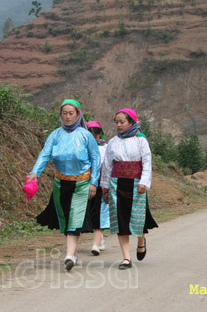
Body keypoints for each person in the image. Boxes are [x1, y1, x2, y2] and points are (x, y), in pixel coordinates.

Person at [26, 99, 100, 271]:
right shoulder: (55, 135)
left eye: (71, 113)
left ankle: (68, 256)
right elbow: (45, 154)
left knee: (76, 216)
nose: (67, 117)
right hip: (60, 182)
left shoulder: (86, 135)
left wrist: (94, 183)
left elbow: (96, 159)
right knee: (66, 218)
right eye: (64, 113)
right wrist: (35, 172)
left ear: (78, 114)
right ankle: (73, 253)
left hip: (82, 182)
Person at [101, 108, 158, 269]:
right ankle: (126, 258)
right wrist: (105, 188)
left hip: (135, 184)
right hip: (116, 183)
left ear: (131, 122)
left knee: (137, 219)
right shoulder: (113, 142)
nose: (119, 125)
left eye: (122, 122)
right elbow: (107, 166)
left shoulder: (141, 140)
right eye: (117, 122)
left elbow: (147, 162)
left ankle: (141, 241)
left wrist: (144, 182)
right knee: (121, 220)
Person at [86, 121, 110, 256]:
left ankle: (96, 243)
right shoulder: (83, 147)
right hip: (86, 183)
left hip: (101, 184)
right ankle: (100, 239)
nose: (93, 138)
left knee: (100, 212)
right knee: (90, 211)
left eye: (95, 135)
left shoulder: (106, 148)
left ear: (100, 134)